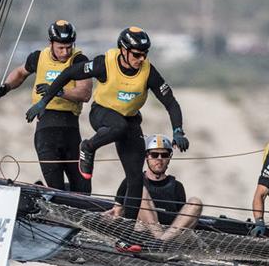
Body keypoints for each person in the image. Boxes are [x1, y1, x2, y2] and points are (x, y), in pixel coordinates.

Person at [28, 26, 189, 222]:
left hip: (130, 121)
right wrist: (44, 102)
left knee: (136, 179)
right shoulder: (104, 63)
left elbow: (170, 102)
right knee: (117, 125)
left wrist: (178, 130)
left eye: (144, 55)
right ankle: (88, 147)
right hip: (101, 113)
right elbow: (69, 73)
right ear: (124, 50)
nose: (141, 59)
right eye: (137, 55)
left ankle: (126, 232)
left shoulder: (148, 72)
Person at [0, 20, 92, 192]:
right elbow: (19, 73)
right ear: (51, 43)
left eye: (69, 47)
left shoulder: (79, 60)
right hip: (46, 131)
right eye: (61, 48)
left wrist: (58, 91)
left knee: (83, 189)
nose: (65, 52)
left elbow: (85, 93)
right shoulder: (38, 57)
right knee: (56, 188)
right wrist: (6, 86)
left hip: (71, 131)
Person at [109, 134, 203, 247]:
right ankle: (159, 241)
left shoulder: (177, 187)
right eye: (154, 154)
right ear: (146, 156)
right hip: (140, 237)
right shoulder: (132, 181)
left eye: (164, 155)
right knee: (140, 190)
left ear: (169, 157)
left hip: (170, 240)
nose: (159, 159)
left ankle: (160, 243)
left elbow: (181, 220)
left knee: (195, 202)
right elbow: (117, 212)